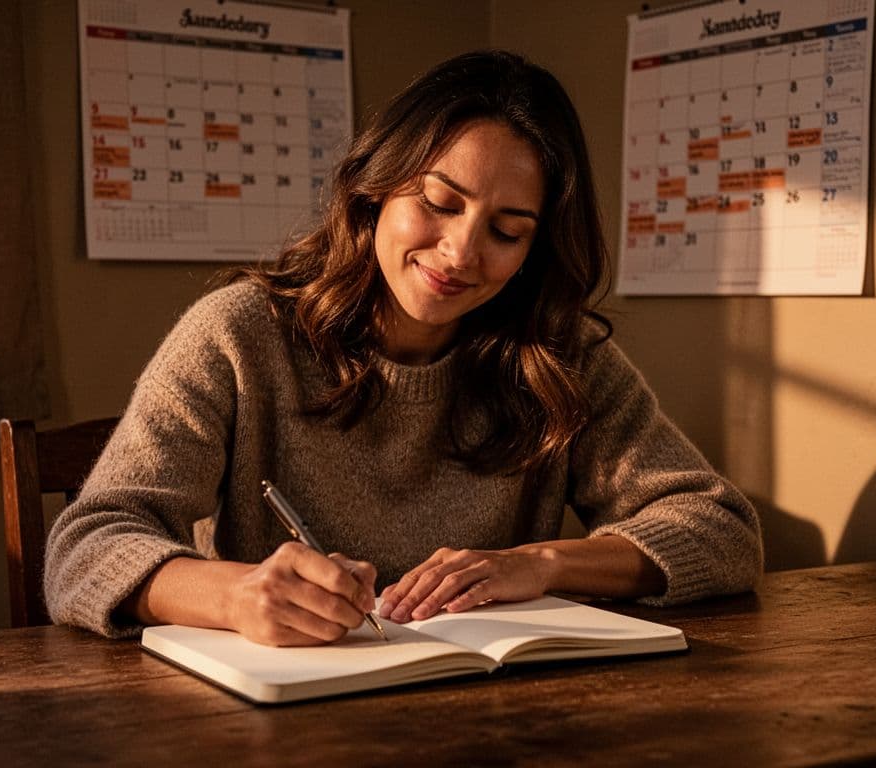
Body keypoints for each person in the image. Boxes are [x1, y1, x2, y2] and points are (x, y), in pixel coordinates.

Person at [44, 50, 762, 646]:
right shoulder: (238, 334)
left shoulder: (556, 353)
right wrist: (235, 595)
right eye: (439, 203)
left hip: (499, 720)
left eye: (507, 231)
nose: (460, 252)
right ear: (374, 188)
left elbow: (723, 530)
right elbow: (85, 548)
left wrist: (539, 564)